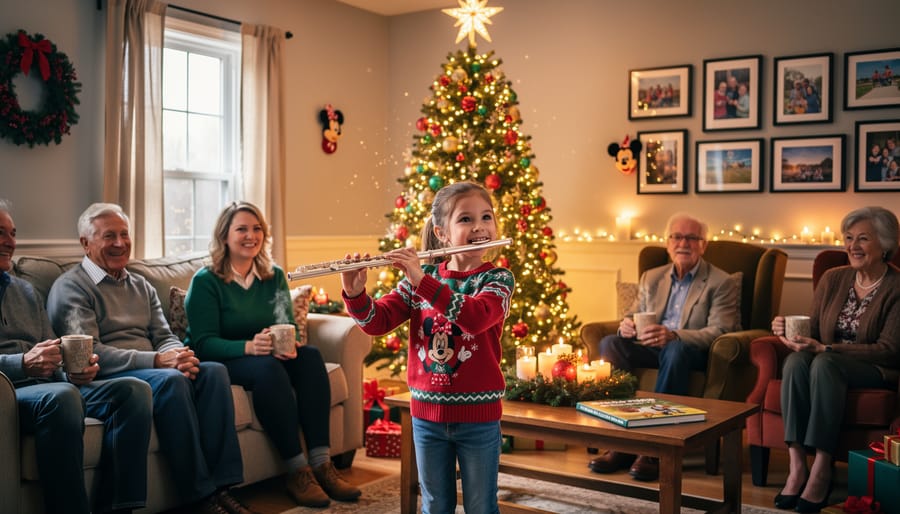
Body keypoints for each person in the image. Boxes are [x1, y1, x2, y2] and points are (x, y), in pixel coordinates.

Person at [46, 203, 254, 514]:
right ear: (85, 243)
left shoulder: (140, 284)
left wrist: (178, 354)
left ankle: (223, 487)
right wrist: (157, 361)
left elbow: (163, 334)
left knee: (213, 373)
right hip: (112, 376)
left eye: (124, 234)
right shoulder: (71, 287)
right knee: (172, 381)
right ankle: (199, 497)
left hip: (155, 368)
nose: (120, 243)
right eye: (109, 236)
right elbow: (90, 352)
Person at [340, 181, 515, 514]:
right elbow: (377, 321)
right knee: (435, 505)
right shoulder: (421, 278)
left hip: (478, 418)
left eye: (486, 217)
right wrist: (355, 293)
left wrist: (422, 281)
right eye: (465, 219)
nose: (479, 226)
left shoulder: (497, 279)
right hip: (426, 417)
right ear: (442, 233)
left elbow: (475, 318)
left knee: (481, 505)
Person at [183, 201, 361, 508]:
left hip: (264, 353)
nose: (251, 236)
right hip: (224, 360)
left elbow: (286, 321)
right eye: (241, 229)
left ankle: (322, 464)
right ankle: (297, 471)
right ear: (224, 236)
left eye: (257, 229)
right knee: (268, 369)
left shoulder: (273, 275)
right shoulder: (206, 281)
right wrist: (248, 347)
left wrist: (287, 343)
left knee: (310, 357)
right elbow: (202, 343)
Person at [0, 200, 152, 514]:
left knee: (134, 391)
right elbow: (33, 364)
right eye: (0, 233)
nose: (10, 242)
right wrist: (23, 364)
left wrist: (71, 372)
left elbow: (52, 348)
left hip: (48, 386)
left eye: (12, 233)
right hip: (10, 391)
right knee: (62, 398)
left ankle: (119, 508)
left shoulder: (25, 290)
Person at [588, 213, 740, 482]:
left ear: (703, 245)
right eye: (677, 237)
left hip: (690, 352)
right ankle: (621, 442)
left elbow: (720, 331)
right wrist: (626, 326)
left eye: (692, 238)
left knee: (674, 350)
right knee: (610, 343)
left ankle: (654, 448)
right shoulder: (652, 277)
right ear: (668, 243)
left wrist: (674, 336)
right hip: (651, 347)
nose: (684, 243)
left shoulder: (721, 281)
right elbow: (633, 314)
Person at [770, 206, 900, 513]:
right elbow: (813, 330)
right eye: (849, 238)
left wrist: (827, 349)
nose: (853, 246)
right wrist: (786, 330)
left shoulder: (897, 286)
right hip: (825, 361)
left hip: (876, 368)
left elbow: (890, 349)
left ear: (885, 244)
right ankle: (797, 466)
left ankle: (821, 468)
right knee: (795, 362)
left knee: (824, 363)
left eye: (863, 238)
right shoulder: (833, 278)